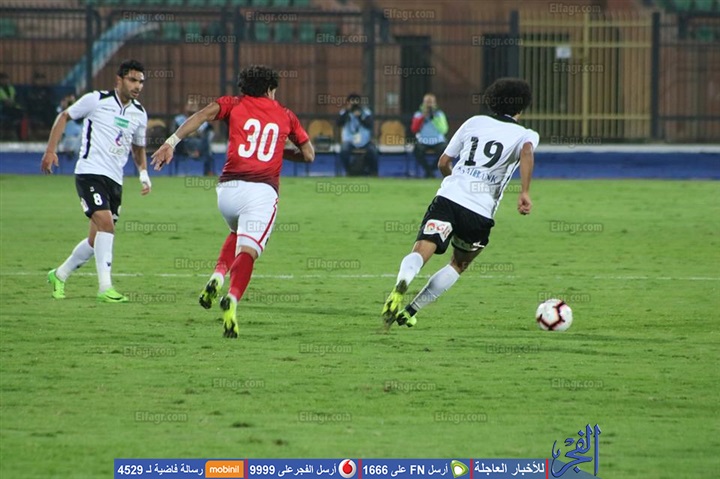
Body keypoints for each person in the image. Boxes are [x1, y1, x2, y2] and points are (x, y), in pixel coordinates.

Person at [151, 65, 314, 338]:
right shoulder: (286, 115)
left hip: (227, 191)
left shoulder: (233, 104)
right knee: (248, 252)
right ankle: (232, 299)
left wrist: (171, 142)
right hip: (261, 192)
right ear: (270, 89)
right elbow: (309, 154)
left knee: (236, 231)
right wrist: (280, 150)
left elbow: (202, 116)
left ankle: (217, 275)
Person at [381, 78, 538, 328]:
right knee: (458, 263)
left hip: (449, 198)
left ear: (492, 100)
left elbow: (443, 162)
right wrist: (525, 192)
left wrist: (455, 182)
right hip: (480, 212)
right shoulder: (526, 134)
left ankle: (402, 282)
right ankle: (411, 310)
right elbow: (527, 152)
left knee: (422, 249)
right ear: (522, 107)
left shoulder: (473, 122)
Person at [41, 59, 152, 303]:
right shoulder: (96, 100)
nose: (137, 86)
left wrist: (143, 173)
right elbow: (64, 116)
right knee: (106, 225)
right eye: (133, 80)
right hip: (89, 173)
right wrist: (50, 150)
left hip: (115, 180)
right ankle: (105, 287)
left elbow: (138, 147)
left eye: (141, 81)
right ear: (119, 79)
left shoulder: (140, 113)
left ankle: (59, 275)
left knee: (95, 240)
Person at [337, 93, 378, 176]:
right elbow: (338, 123)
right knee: (344, 150)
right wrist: (348, 112)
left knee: (373, 151)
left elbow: (370, 125)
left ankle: (373, 172)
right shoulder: (344, 112)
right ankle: (349, 171)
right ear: (348, 103)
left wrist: (360, 117)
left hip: (365, 141)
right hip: (349, 140)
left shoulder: (366, 112)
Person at [410, 93, 449, 178]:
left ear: (434, 103)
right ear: (423, 103)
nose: (429, 105)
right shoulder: (418, 114)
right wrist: (422, 117)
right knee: (417, 151)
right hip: (423, 140)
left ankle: (431, 170)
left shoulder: (439, 114)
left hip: (438, 140)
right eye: (427, 102)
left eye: (431, 102)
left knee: (445, 151)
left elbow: (443, 130)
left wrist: (434, 119)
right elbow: (414, 129)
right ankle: (428, 170)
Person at [173, 100, 215, 176]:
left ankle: (207, 171)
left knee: (205, 142)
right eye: (190, 105)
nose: (192, 107)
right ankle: (195, 152)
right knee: (190, 140)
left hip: (200, 144)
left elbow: (204, 134)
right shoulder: (179, 120)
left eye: (194, 105)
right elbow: (177, 134)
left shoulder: (202, 121)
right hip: (184, 144)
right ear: (186, 108)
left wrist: (193, 133)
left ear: (197, 108)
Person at [57, 94, 83, 164]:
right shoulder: (61, 112)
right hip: (68, 139)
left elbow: (79, 119)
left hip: (78, 140)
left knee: (82, 133)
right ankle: (71, 151)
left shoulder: (79, 112)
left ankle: (72, 151)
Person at [0, 72, 25, 139]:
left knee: (20, 112)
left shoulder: (11, 88)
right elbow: (4, 100)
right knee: (15, 114)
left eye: (6, 79)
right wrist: (6, 102)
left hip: (12, 106)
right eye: (3, 79)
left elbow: (15, 97)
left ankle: (19, 136)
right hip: (3, 108)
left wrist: (13, 102)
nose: (5, 81)